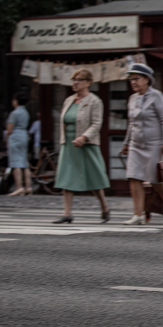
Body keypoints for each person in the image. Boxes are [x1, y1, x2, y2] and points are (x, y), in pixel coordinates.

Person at [120, 63, 163, 225]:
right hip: (136, 144)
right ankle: (138, 214)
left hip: (154, 144)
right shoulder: (132, 99)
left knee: (156, 178)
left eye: (136, 78)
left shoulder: (157, 96)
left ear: (147, 79)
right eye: (131, 79)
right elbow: (131, 123)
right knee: (134, 177)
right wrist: (126, 143)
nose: (133, 82)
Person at [52, 68, 111, 224]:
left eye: (79, 80)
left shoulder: (94, 101)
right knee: (67, 176)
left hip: (86, 144)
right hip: (69, 143)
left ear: (88, 83)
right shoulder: (69, 100)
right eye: (74, 80)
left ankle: (104, 207)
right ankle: (67, 213)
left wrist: (84, 137)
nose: (75, 83)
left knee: (94, 177)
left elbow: (97, 123)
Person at [6, 93, 32, 196]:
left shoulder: (14, 113)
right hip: (24, 135)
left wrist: (6, 138)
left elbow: (9, 129)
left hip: (15, 136)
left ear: (16, 101)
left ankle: (19, 187)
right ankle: (28, 187)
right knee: (24, 162)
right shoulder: (26, 112)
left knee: (16, 162)